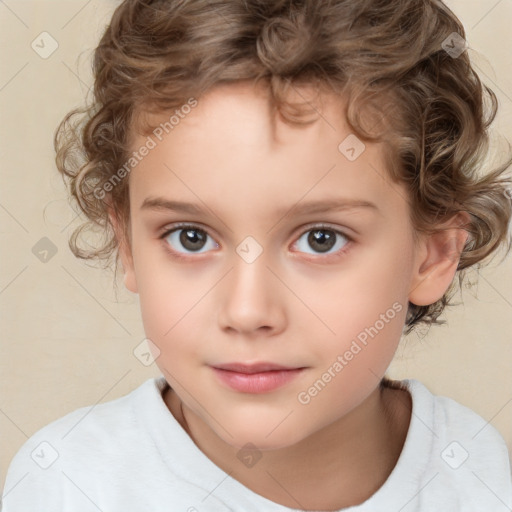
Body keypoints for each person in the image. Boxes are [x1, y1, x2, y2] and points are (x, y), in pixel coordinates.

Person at [2, 0, 511, 510]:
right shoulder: (68, 484)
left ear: (433, 253)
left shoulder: (479, 476)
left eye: (321, 239)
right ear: (128, 244)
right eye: (191, 237)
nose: (247, 312)